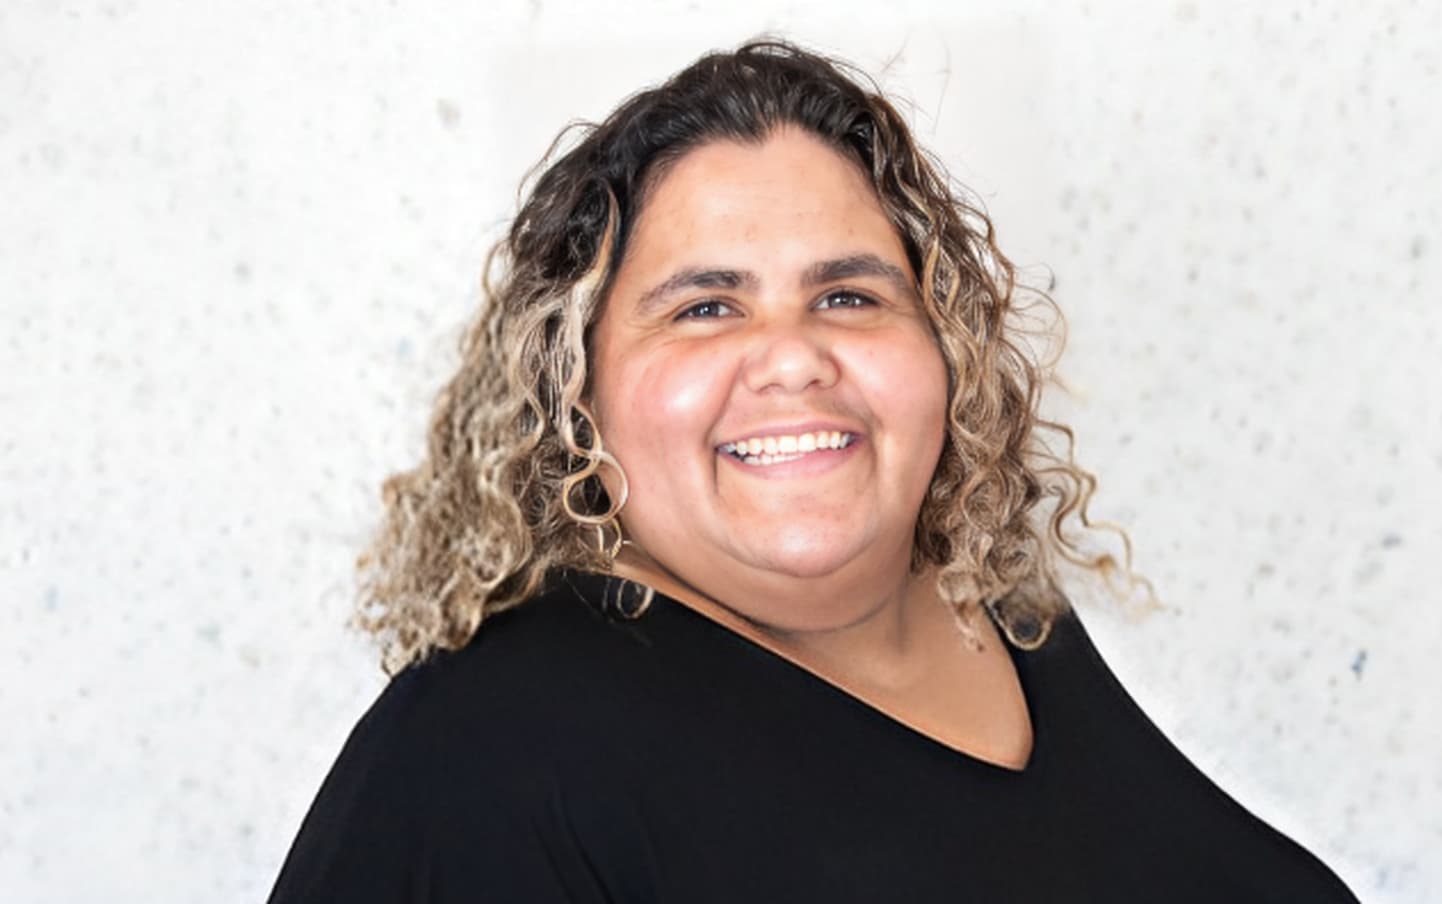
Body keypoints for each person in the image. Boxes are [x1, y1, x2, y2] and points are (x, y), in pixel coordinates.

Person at [268, 39, 1360, 903]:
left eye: (848, 294)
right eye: (705, 307)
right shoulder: (492, 756)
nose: (792, 355)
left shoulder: (1011, 615)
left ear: (944, 350)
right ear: (572, 389)